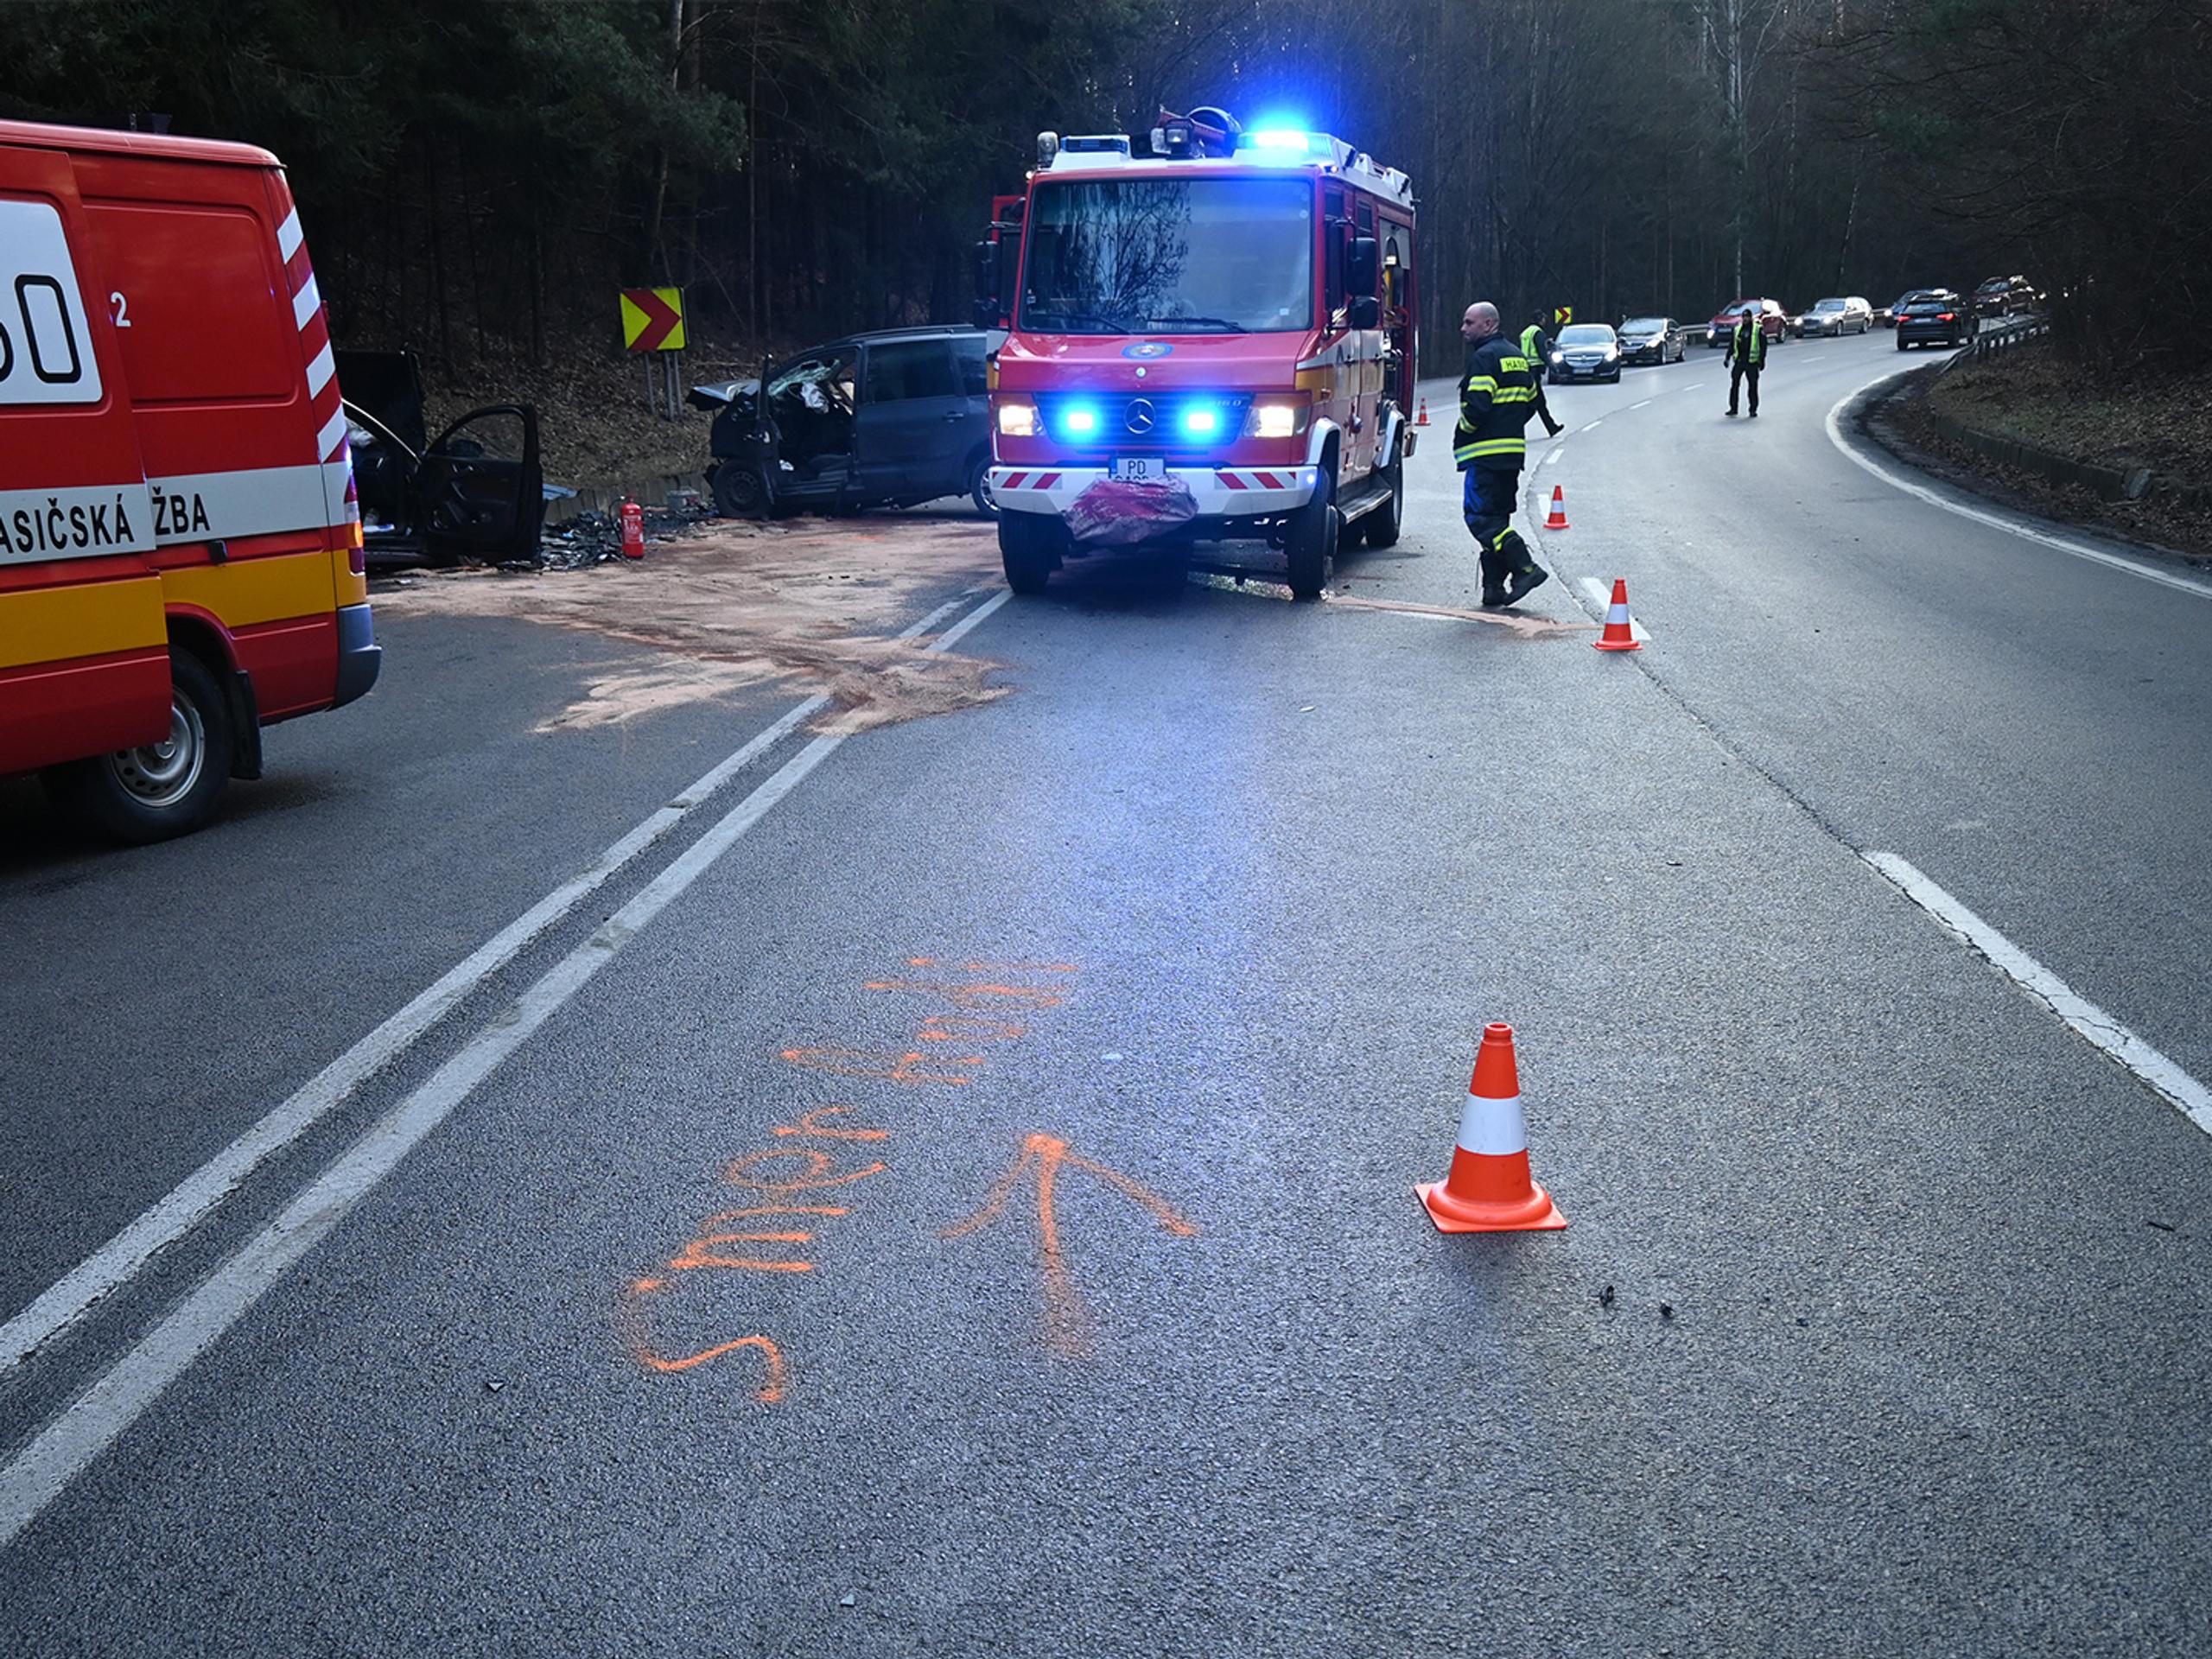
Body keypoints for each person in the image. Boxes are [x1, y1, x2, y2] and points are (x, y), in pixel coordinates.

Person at [1457, 302, 1549, 608]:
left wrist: (1466, 427)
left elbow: (1478, 406)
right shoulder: (1518, 357)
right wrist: (1509, 425)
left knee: (1481, 519)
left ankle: (1526, 568)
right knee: (1497, 518)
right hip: (1511, 454)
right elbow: (1534, 400)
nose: (1463, 328)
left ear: (1488, 324)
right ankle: (1493, 587)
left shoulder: (1485, 358)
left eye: (1469, 323)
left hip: (1485, 454)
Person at [1519, 310, 1567, 437]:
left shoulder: (1526, 332)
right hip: (1533, 371)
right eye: (1544, 319)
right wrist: (1553, 366)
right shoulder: (1538, 333)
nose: (1545, 321)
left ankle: (1552, 428)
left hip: (1526, 369)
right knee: (1534, 404)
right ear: (1540, 319)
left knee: (1539, 403)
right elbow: (1541, 352)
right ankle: (1513, 429)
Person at [1725, 306, 1767, 417]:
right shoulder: (1737, 329)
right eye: (1744, 317)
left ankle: (1753, 409)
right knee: (1734, 385)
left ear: (1751, 318)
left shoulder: (1758, 329)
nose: (1745, 319)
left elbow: (1763, 346)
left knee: (1752, 387)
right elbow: (1731, 345)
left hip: (1752, 363)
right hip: (1739, 362)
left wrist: (1762, 360)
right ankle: (1733, 408)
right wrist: (1727, 358)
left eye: (1747, 317)